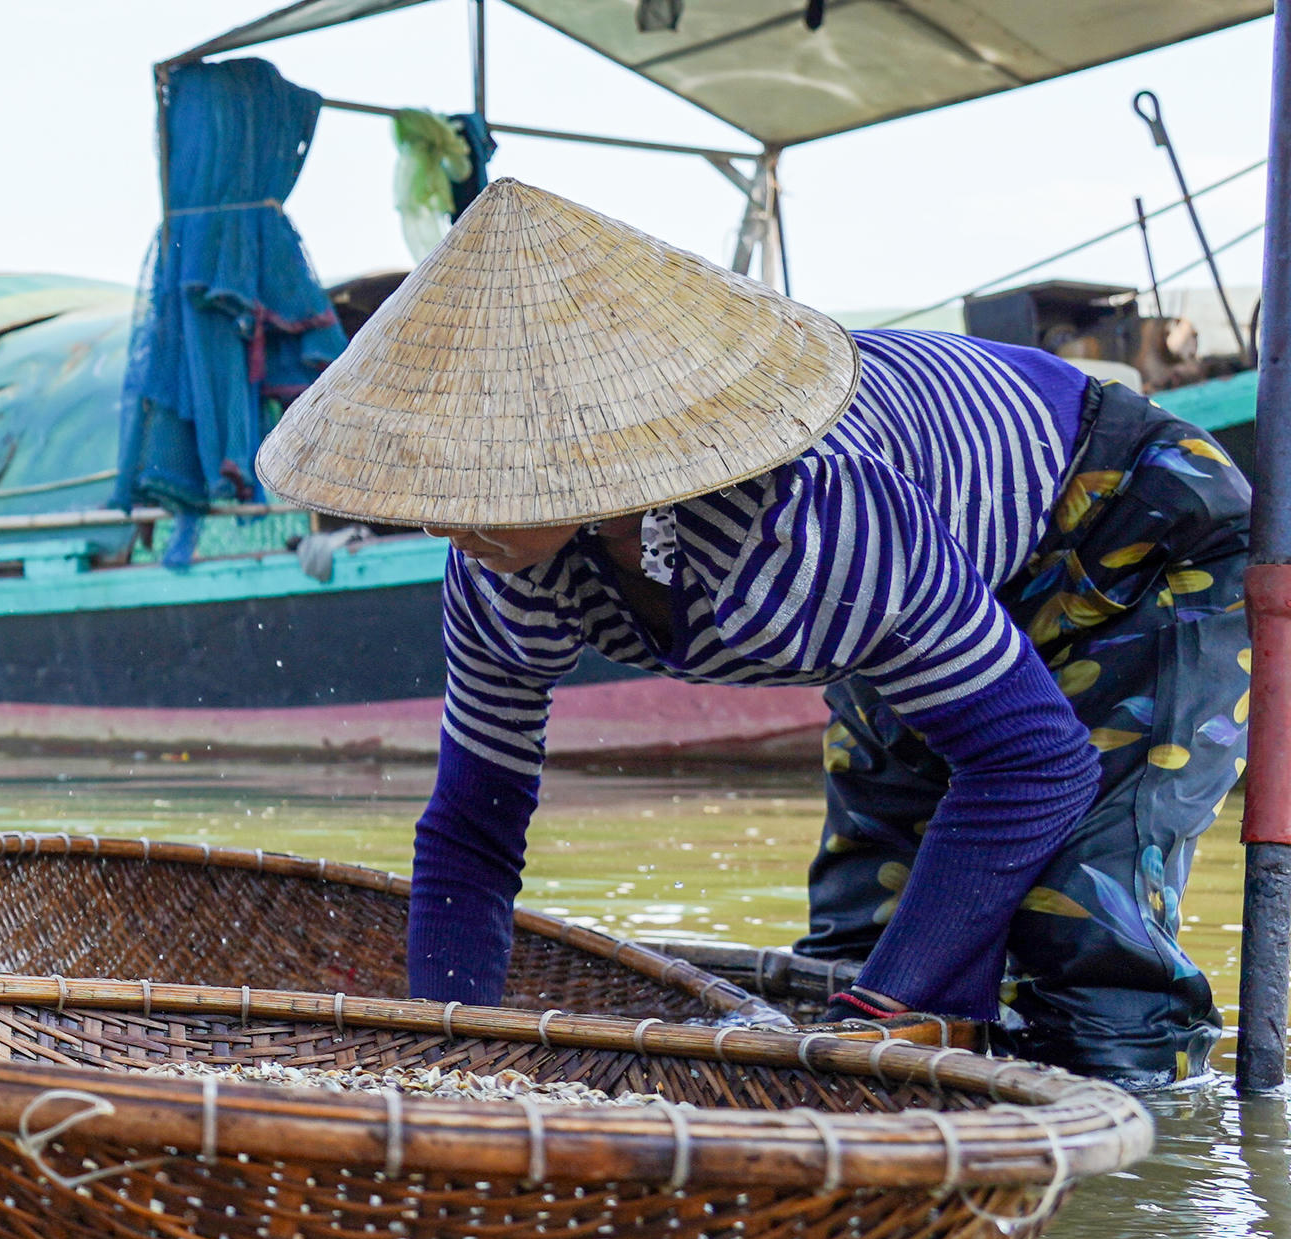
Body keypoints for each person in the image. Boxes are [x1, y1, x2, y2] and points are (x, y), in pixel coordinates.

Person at [256, 179, 1247, 1085]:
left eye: (483, 473)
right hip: (926, 574)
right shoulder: (494, 562)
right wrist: (455, 1055)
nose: (443, 516)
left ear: (591, 457)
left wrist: (873, 1023)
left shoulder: (806, 528)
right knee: (860, 942)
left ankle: (1128, 1193)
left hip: (1123, 526)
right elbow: (473, 823)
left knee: (1083, 943)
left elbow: (1033, 767)